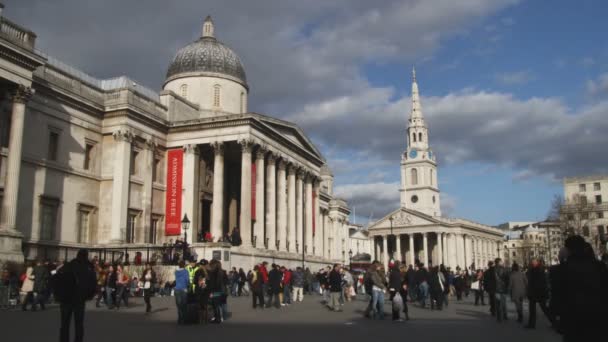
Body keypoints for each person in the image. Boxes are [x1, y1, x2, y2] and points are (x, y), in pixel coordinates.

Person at [556, 236, 608, 341]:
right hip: (598, 317)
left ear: (568, 250)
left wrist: (561, 320)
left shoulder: (564, 269)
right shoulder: (599, 266)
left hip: (574, 319)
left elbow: (560, 296)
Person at [54, 249, 97, 342]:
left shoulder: (68, 265)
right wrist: (89, 295)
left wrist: (58, 295)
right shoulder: (88, 267)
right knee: (79, 324)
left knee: (64, 324)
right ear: (86, 256)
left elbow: (57, 279)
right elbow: (93, 284)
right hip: (79, 298)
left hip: (66, 299)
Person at [525, 259, 553, 329]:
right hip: (539, 292)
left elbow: (533, 283)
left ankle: (531, 324)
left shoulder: (535, 271)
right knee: (543, 309)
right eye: (532, 262)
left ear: (536, 263)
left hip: (536, 292)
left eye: (533, 262)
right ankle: (554, 322)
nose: (532, 263)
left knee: (536, 309)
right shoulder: (540, 270)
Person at [494, 258, 509, 322]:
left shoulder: (493, 269)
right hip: (503, 288)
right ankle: (505, 315)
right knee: (503, 303)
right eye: (501, 261)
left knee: (497, 304)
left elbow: (493, 280)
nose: (502, 262)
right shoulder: (504, 269)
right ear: (499, 262)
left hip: (496, 288)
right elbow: (507, 278)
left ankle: (499, 317)